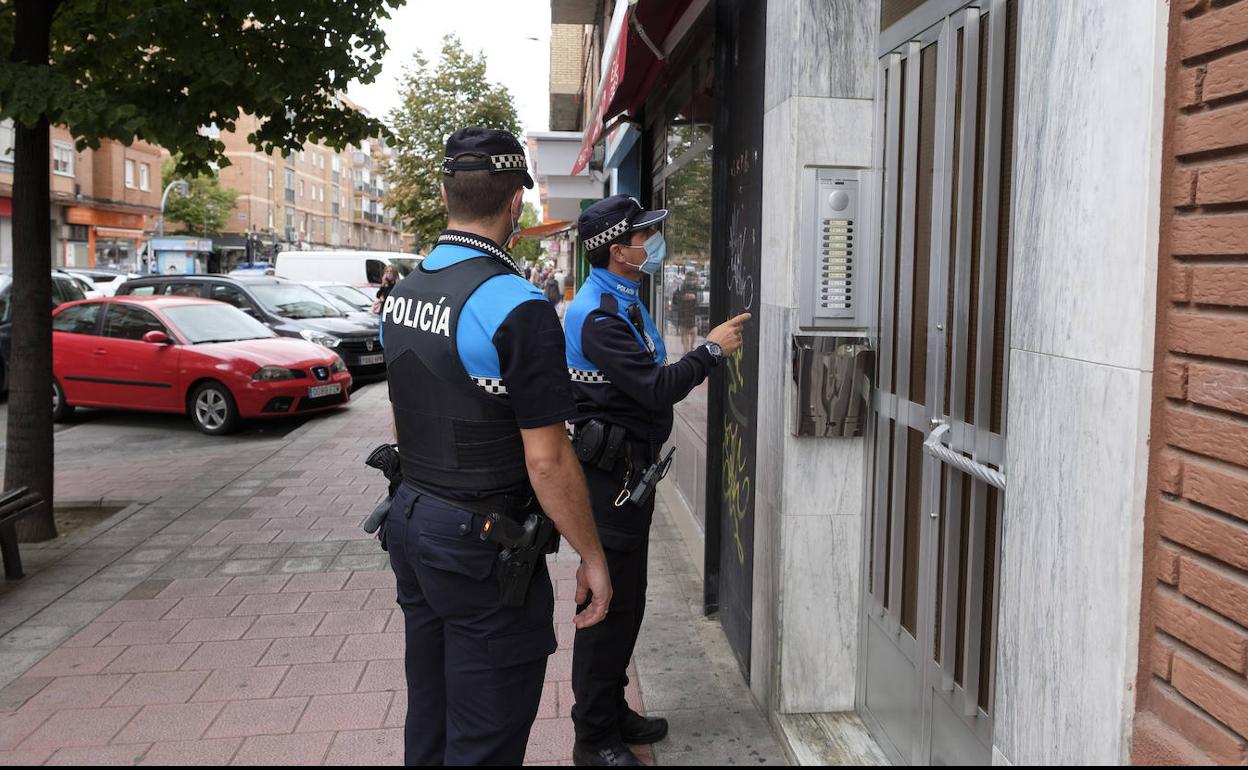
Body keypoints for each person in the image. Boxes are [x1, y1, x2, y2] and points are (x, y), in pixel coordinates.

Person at [380, 127, 612, 766]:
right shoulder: (515, 304)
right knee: (484, 735)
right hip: (481, 546)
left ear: (446, 192)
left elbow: (404, 414)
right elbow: (547, 458)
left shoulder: (405, 291)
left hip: (414, 519)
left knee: (430, 711)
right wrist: (593, 557)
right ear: (515, 203)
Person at [563, 195, 749, 766]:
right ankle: (592, 737)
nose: (654, 243)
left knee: (630, 601)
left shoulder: (624, 300)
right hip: (607, 480)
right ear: (619, 251)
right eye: (645, 236)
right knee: (607, 605)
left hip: (631, 473)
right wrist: (713, 350)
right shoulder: (596, 314)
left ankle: (613, 710)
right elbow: (655, 386)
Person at [670, 268, 700, 354]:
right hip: (684, 313)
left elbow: (701, 298)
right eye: (689, 278)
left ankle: (691, 348)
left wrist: (695, 297)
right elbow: (675, 299)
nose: (691, 281)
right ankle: (687, 352)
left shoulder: (698, 288)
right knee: (685, 332)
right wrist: (683, 297)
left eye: (692, 278)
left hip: (693, 314)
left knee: (693, 332)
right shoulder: (681, 288)